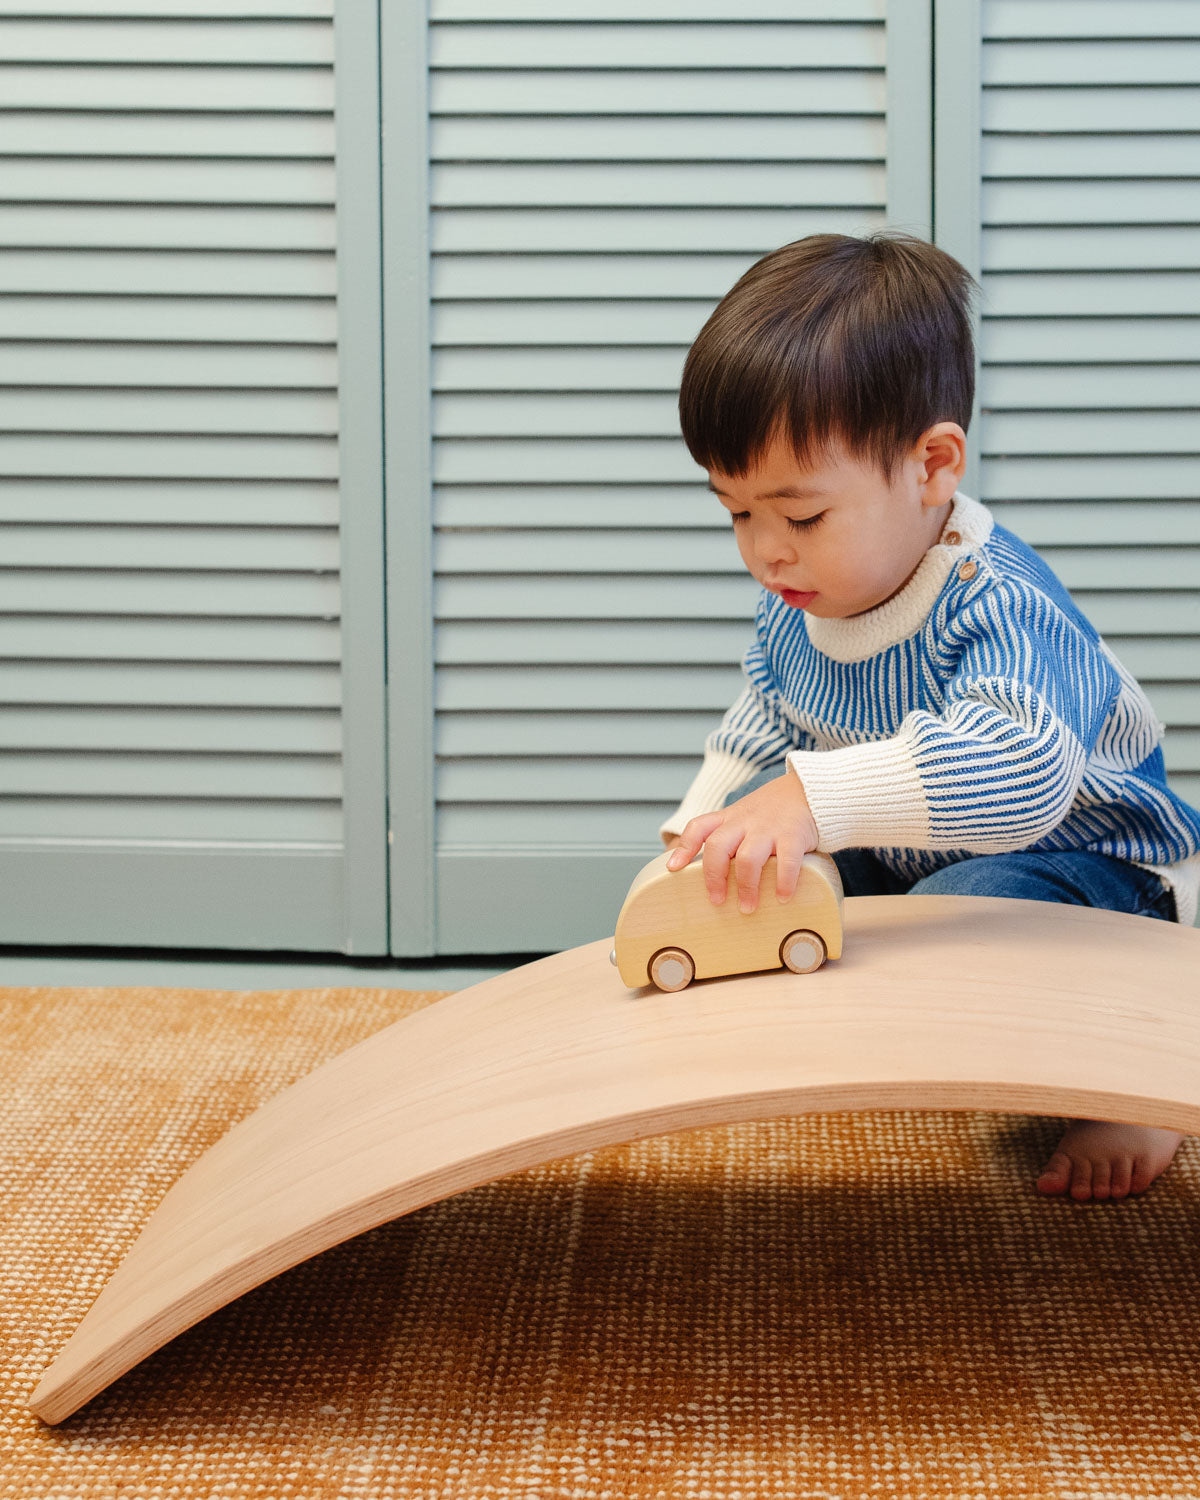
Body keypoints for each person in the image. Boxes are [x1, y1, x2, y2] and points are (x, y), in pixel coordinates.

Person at [658, 231, 1200, 1205]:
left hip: (1094, 871)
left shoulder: (996, 599)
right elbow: (762, 720)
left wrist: (808, 798)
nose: (766, 553)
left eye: (801, 516)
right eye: (738, 514)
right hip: (917, 853)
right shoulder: (803, 597)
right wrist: (702, 828)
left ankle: (1151, 1073)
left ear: (932, 465)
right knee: (783, 867)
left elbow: (1022, 768)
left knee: (968, 914)